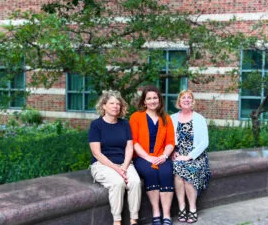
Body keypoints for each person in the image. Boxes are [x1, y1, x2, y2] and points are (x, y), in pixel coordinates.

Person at [88, 90, 142, 225]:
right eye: (111, 103)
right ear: (104, 106)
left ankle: (134, 219)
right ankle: (117, 221)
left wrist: (124, 166)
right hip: (102, 165)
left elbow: (129, 147)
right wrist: (116, 169)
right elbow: (97, 153)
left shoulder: (124, 124)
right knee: (118, 183)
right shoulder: (96, 125)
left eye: (118, 104)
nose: (115, 106)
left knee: (135, 182)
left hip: (124, 164)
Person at [129, 85, 175, 225]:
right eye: (149, 98)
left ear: (159, 100)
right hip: (142, 157)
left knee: (166, 172)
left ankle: (166, 215)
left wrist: (165, 156)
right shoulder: (136, 117)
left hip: (161, 156)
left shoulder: (166, 118)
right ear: (144, 102)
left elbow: (170, 142)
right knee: (150, 172)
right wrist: (148, 157)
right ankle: (156, 213)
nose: (152, 101)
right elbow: (134, 141)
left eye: (155, 98)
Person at [171, 90, 211, 224]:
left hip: (196, 156)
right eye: (183, 98)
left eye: (189, 98)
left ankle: (192, 209)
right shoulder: (172, 118)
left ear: (192, 101)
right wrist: (172, 152)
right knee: (177, 169)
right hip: (178, 154)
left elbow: (204, 142)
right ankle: (182, 208)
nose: (186, 100)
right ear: (179, 101)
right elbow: (169, 139)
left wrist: (189, 156)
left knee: (188, 172)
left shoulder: (199, 119)